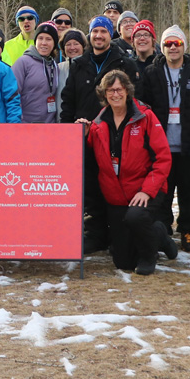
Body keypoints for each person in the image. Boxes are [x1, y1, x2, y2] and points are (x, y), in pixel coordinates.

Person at [81, 70, 174, 275]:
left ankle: (149, 256)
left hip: (144, 188)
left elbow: (163, 158)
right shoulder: (98, 122)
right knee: (122, 262)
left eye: (119, 89)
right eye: (110, 90)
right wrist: (84, 133)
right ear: (104, 94)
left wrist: (147, 191)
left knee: (136, 217)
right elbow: (91, 149)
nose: (115, 94)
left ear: (127, 91)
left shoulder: (145, 117)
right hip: (116, 197)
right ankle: (159, 234)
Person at [60, 16, 139, 253]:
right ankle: (95, 234)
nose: (98, 36)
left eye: (104, 31)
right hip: (84, 137)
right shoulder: (79, 63)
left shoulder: (123, 62)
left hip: (115, 136)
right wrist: (69, 131)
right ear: (89, 35)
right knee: (91, 187)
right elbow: (67, 100)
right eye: (95, 32)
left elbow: (134, 102)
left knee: (114, 185)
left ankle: (117, 233)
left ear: (110, 34)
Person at [140, 26, 190, 254]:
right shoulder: (152, 73)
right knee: (162, 193)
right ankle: (163, 231)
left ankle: (188, 230)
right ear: (161, 47)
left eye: (177, 43)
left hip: (189, 145)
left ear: (183, 46)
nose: (173, 47)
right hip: (161, 147)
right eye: (168, 44)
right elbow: (143, 109)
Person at [13, 22, 61, 123]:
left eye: (48, 39)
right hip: (26, 125)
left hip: (49, 127)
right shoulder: (23, 62)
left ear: (54, 43)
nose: (44, 43)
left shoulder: (55, 65)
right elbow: (13, 95)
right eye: (40, 38)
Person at [57, 29, 86, 96]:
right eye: (68, 44)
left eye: (76, 44)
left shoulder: (90, 67)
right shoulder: (59, 68)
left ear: (83, 46)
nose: (72, 48)